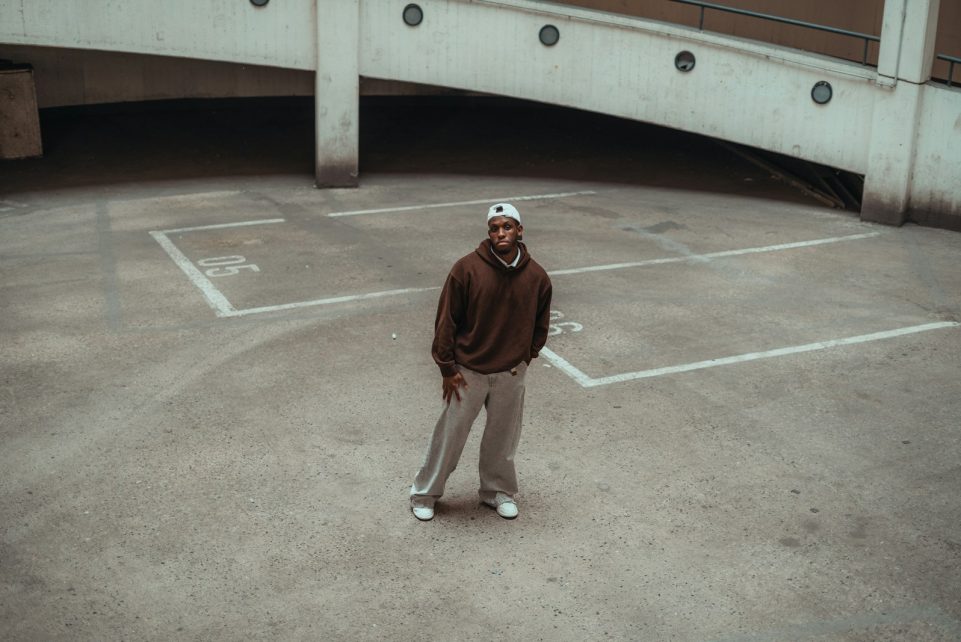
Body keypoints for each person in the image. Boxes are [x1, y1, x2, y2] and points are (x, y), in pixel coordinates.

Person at [410, 202, 553, 521]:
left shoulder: (537, 277)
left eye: (507, 227)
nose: (500, 233)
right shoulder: (466, 270)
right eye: (494, 228)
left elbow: (541, 324)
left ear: (519, 231)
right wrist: (447, 368)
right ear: (488, 233)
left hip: (511, 372)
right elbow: (446, 321)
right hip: (468, 372)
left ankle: (497, 491)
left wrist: (526, 357)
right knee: (450, 436)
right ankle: (425, 493)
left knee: (503, 438)